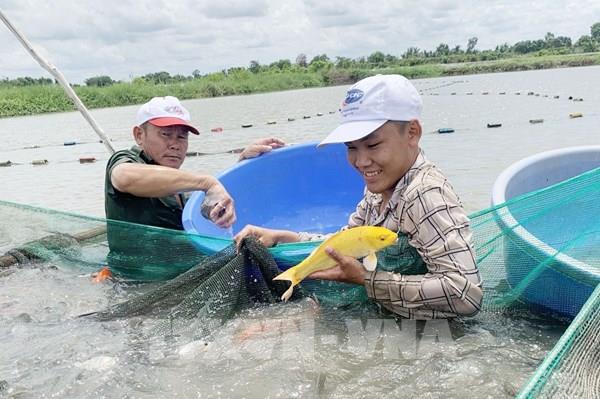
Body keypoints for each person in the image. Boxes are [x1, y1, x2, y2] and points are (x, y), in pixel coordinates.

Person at [234, 75, 483, 319]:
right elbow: (345, 243)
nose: (361, 161)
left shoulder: (425, 194)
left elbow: (466, 294)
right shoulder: (377, 192)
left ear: (412, 132)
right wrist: (282, 237)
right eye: (351, 147)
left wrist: (367, 279)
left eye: (373, 145)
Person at [104, 95, 285, 230]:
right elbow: (124, 177)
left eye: (182, 137)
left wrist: (242, 164)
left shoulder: (180, 187)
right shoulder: (127, 160)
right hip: (135, 277)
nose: (175, 144)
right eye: (165, 134)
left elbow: (209, 206)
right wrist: (206, 182)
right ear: (139, 135)